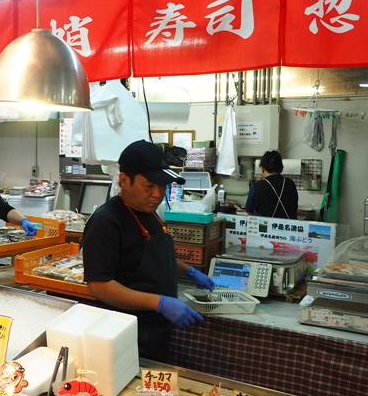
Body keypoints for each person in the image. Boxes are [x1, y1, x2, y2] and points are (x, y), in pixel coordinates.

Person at [81, 140, 215, 363]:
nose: (158, 194)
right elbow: (98, 286)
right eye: (149, 186)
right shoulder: (107, 221)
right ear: (124, 180)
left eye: (163, 186)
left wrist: (189, 272)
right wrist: (159, 303)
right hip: (126, 332)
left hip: (156, 329)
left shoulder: (149, 211)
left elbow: (155, 256)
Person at [244, 150, 299, 219]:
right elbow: (294, 209)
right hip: (286, 227)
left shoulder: (257, 186)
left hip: (263, 228)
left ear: (262, 169)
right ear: (281, 168)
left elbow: (249, 211)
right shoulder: (291, 184)